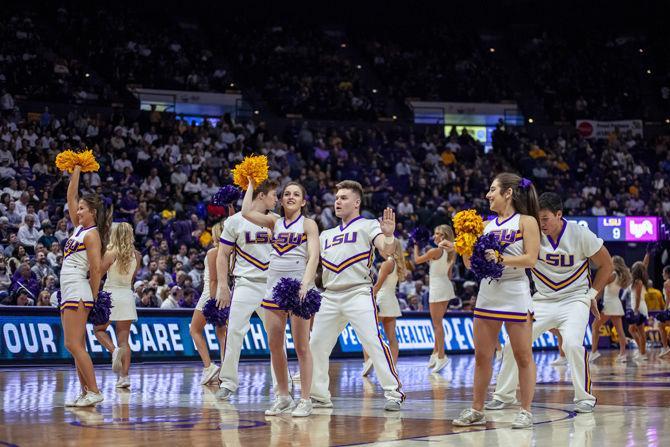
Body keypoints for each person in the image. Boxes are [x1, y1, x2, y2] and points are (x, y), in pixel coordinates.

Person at [486, 192, 612, 415]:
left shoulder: (580, 233)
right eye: (537, 218)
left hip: (574, 299)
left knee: (572, 344)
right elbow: (494, 229)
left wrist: (591, 294)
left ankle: (585, 398)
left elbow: (607, 264)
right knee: (511, 344)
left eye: (545, 218)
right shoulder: (530, 233)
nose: (541, 223)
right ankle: (503, 395)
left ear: (559, 214)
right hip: (542, 300)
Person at [452, 173, 540, 429]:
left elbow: (531, 259)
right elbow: (473, 266)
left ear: (508, 193)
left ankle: (525, 411)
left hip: (515, 290)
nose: (488, 195)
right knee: (482, 356)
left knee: (523, 356)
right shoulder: (486, 225)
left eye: (493, 190)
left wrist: (501, 259)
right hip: (489, 292)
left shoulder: (527, 222)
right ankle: (477, 409)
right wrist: (463, 247)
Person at [309, 180, 404, 412]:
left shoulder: (369, 225)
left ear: (357, 202)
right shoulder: (325, 234)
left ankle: (393, 393)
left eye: (343, 197)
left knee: (373, 342)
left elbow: (386, 249)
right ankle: (319, 395)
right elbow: (311, 262)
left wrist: (389, 236)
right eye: (337, 197)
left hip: (358, 292)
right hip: (329, 295)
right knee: (316, 345)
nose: (337, 201)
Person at [241, 180, 320, 417]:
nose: (291, 197)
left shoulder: (308, 224)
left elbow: (314, 256)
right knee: (275, 345)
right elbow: (246, 212)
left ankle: (305, 399)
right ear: (282, 199)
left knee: (302, 346)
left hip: (299, 289)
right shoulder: (274, 222)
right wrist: (251, 185)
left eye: (296, 194)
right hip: (273, 289)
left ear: (303, 201)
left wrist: (305, 284)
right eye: (287, 194)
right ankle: (284, 397)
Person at [215, 180, 286, 401]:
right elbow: (222, 254)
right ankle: (227, 382)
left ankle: (282, 385)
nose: (277, 199)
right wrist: (223, 285)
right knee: (234, 332)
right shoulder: (234, 221)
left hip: (272, 285)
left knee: (277, 337)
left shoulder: (278, 222)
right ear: (261, 195)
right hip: (245, 282)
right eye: (274, 195)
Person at [60, 165, 112, 407]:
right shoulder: (79, 228)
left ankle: (94, 391)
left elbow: (96, 269)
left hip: (79, 289)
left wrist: (92, 297)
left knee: (72, 344)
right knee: (75, 345)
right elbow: (70, 196)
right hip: (69, 287)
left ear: (92, 212)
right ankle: (85, 392)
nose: (77, 211)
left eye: (82, 208)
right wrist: (77, 169)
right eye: (78, 209)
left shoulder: (92, 235)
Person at [93, 223, 141, 389]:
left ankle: (113, 350)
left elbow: (98, 273)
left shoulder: (111, 253)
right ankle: (125, 378)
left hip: (110, 295)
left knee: (98, 330)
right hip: (127, 295)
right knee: (124, 340)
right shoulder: (137, 255)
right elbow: (133, 278)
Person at [412, 225, 456, 373]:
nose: (434, 236)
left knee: (437, 325)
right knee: (439, 323)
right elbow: (449, 274)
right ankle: (435, 353)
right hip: (446, 286)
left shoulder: (436, 250)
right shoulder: (451, 252)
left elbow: (417, 260)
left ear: (443, 237)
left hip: (437, 288)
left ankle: (442, 356)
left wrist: (416, 245)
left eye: (437, 234)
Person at [190, 221, 228, 385]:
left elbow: (213, 280)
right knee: (222, 334)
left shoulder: (213, 252)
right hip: (226, 294)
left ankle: (208, 367)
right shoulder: (231, 252)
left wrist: (213, 304)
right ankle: (226, 370)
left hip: (211, 295)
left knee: (194, 329)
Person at [362, 239, 406, 377]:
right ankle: (392, 366)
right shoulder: (397, 263)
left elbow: (378, 286)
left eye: (383, 246)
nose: (380, 248)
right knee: (392, 337)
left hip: (382, 299)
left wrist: (368, 297)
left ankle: (368, 361)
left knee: (367, 332)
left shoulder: (387, 263)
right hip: (392, 300)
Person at [591, 256, 631, 363]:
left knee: (595, 326)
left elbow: (602, 284)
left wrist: (594, 297)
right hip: (616, 304)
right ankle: (623, 355)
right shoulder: (619, 276)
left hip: (609, 304)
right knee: (620, 332)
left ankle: (594, 352)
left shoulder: (613, 274)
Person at [629, 256, 651, 361]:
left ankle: (642, 354)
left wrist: (636, 310)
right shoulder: (636, 281)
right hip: (637, 307)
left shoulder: (638, 281)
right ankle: (642, 351)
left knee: (640, 331)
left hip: (639, 307)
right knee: (632, 329)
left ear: (635, 270)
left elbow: (637, 296)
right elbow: (645, 265)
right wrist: (648, 254)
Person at [657, 266, 670, 358]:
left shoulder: (667, 283)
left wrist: (665, 310)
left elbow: (669, 297)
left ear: (668, 274)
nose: (662, 274)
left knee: (660, 325)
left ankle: (665, 347)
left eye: (663, 272)